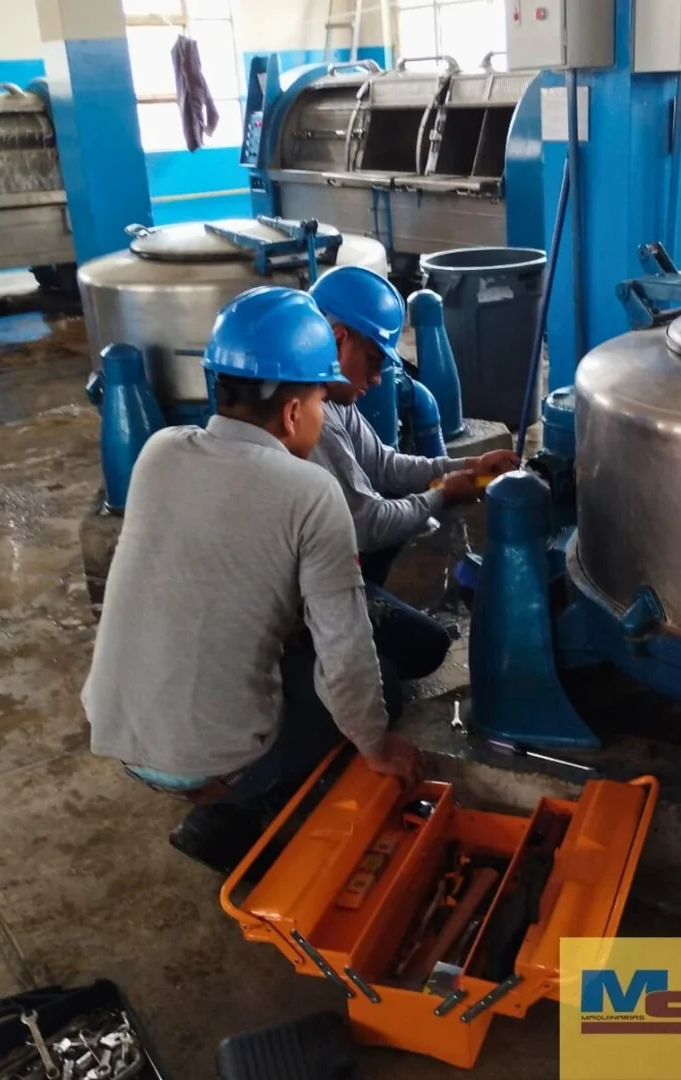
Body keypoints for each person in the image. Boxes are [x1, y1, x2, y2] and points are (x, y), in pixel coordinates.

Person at [82, 286, 423, 874]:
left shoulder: (159, 452)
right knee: (383, 686)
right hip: (217, 763)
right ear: (292, 413)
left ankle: (229, 801)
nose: (324, 413)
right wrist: (377, 746)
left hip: (117, 738)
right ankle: (253, 807)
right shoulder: (310, 492)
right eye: (321, 400)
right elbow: (346, 657)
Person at [307, 265, 519, 681]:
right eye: (373, 360)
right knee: (426, 649)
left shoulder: (333, 399)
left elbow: (384, 465)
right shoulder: (312, 422)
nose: (375, 378)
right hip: (301, 583)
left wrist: (468, 466)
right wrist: (443, 494)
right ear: (338, 339)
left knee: (398, 508)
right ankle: (325, 652)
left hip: (325, 550)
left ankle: (359, 603)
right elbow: (367, 524)